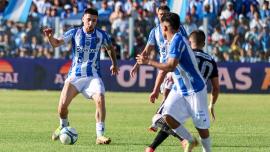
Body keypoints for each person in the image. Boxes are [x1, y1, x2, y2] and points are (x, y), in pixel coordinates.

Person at [42, 8, 119, 145]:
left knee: (100, 98)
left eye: (94, 20)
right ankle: (63, 126)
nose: (91, 23)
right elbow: (56, 43)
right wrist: (49, 37)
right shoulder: (74, 32)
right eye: (88, 19)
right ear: (83, 19)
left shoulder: (102, 35)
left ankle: (100, 135)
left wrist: (114, 64)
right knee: (61, 108)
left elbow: (110, 48)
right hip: (75, 77)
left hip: (93, 76)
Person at [136, 12, 211, 152]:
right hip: (180, 89)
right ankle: (189, 140)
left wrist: (148, 61)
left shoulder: (177, 41)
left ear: (164, 28)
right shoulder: (171, 42)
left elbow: (170, 66)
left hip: (195, 89)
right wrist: (156, 88)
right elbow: (166, 68)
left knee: (201, 127)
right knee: (167, 116)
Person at [129, 5, 187, 151]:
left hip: (174, 70)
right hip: (164, 69)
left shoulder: (178, 29)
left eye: (165, 14)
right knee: (166, 106)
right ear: (157, 14)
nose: (162, 16)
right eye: (160, 14)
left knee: (164, 109)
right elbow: (147, 50)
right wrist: (137, 65)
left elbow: (187, 47)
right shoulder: (155, 31)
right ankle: (177, 135)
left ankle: (173, 134)